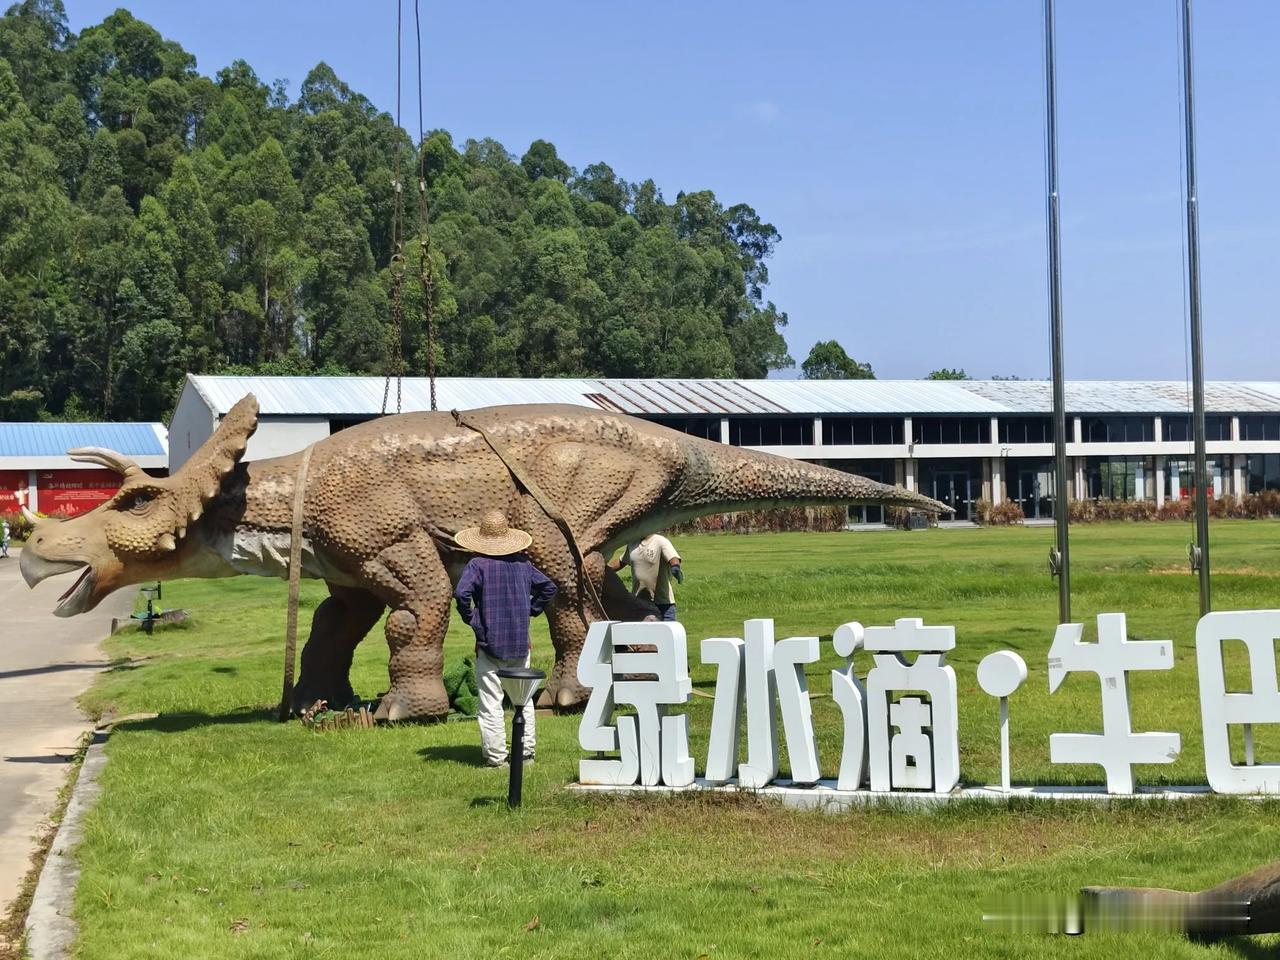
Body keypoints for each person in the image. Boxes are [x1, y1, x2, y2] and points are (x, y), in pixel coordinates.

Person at [454, 510, 557, 768]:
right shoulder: (524, 565)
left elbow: (461, 593)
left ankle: (497, 758)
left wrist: (474, 620)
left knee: (491, 703)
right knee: (524, 702)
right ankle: (526, 753)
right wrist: (530, 611)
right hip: (521, 644)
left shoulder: (478, 565)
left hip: (489, 643)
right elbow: (549, 588)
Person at [609, 532, 683, 621]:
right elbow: (622, 562)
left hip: (663, 604)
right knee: (642, 634)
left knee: (667, 633)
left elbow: (673, 557)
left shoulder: (660, 541)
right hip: (640, 604)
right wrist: (603, 568)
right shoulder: (632, 544)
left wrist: (675, 567)